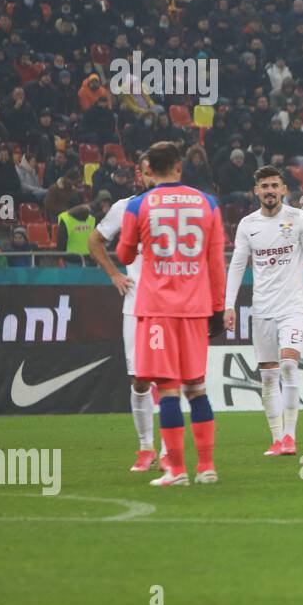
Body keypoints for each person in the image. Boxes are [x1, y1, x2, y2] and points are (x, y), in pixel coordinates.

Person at [116, 141, 227, 487]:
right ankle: (207, 467)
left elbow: (124, 254)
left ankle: (177, 470)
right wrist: (218, 308)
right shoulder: (208, 203)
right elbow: (215, 261)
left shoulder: (139, 204)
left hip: (157, 310)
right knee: (197, 387)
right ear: (180, 166)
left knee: (167, 391)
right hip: (195, 309)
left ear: (149, 169)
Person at [224, 166, 303, 456]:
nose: (269, 190)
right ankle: (277, 438)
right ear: (256, 191)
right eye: (264, 186)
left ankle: (291, 437)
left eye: (274, 185)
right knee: (269, 376)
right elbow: (237, 266)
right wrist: (227, 305)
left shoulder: (300, 219)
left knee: (290, 365)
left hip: (293, 307)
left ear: (283, 190)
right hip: (262, 309)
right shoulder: (247, 225)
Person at [89, 154, 170, 471]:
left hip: (166, 308)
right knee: (139, 379)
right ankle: (145, 448)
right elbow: (94, 240)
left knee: (165, 381)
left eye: (157, 170)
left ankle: (167, 451)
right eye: (147, 171)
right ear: (140, 174)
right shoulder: (124, 208)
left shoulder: (175, 208)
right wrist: (114, 274)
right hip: (135, 306)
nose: (152, 176)